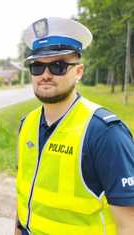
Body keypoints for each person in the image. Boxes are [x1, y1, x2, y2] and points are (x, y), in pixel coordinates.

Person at [15, 17, 134, 235]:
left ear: (78, 72)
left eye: (58, 66)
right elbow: (25, 194)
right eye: (37, 67)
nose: (46, 75)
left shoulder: (105, 133)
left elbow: (129, 225)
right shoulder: (26, 124)